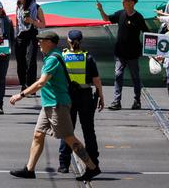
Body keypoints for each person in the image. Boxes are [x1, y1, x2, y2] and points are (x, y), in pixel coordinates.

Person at [8, 31, 101, 182]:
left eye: (41, 41)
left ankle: (92, 167)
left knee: (69, 138)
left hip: (58, 105)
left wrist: (21, 95)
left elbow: (41, 82)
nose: (38, 43)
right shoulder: (54, 55)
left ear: (50, 42)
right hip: (48, 104)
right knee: (38, 134)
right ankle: (29, 169)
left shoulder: (53, 59)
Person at [57, 30, 104, 173]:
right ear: (81, 41)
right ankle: (93, 162)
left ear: (68, 41)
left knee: (67, 131)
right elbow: (96, 80)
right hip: (85, 96)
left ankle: (64, 164)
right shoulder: (88, 57)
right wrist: (101, 96)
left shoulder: (63, 56)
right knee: (88, 130)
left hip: (67, 96)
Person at [96, 0, 148, 110]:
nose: (122, 2)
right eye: (123, 0)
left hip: (133, 53)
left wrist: (152, 50)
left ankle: (137, 100)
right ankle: (116, 101)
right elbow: (106, 19)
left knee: (135, 77)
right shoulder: (120, 14)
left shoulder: (138, 17)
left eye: (125, 0)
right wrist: (101, 10)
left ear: (132, 3)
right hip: (120, 52)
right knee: (118, 75)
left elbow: (147, 33)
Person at [14, 0, 46, 91]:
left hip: (31, 35)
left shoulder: (36, 7)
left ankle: (31, 85)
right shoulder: (18, 5)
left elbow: (43, 24)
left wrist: (32, 21)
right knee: (20, 61)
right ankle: (23, 83)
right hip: (20, 35)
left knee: (30, 60)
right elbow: (17, 21)